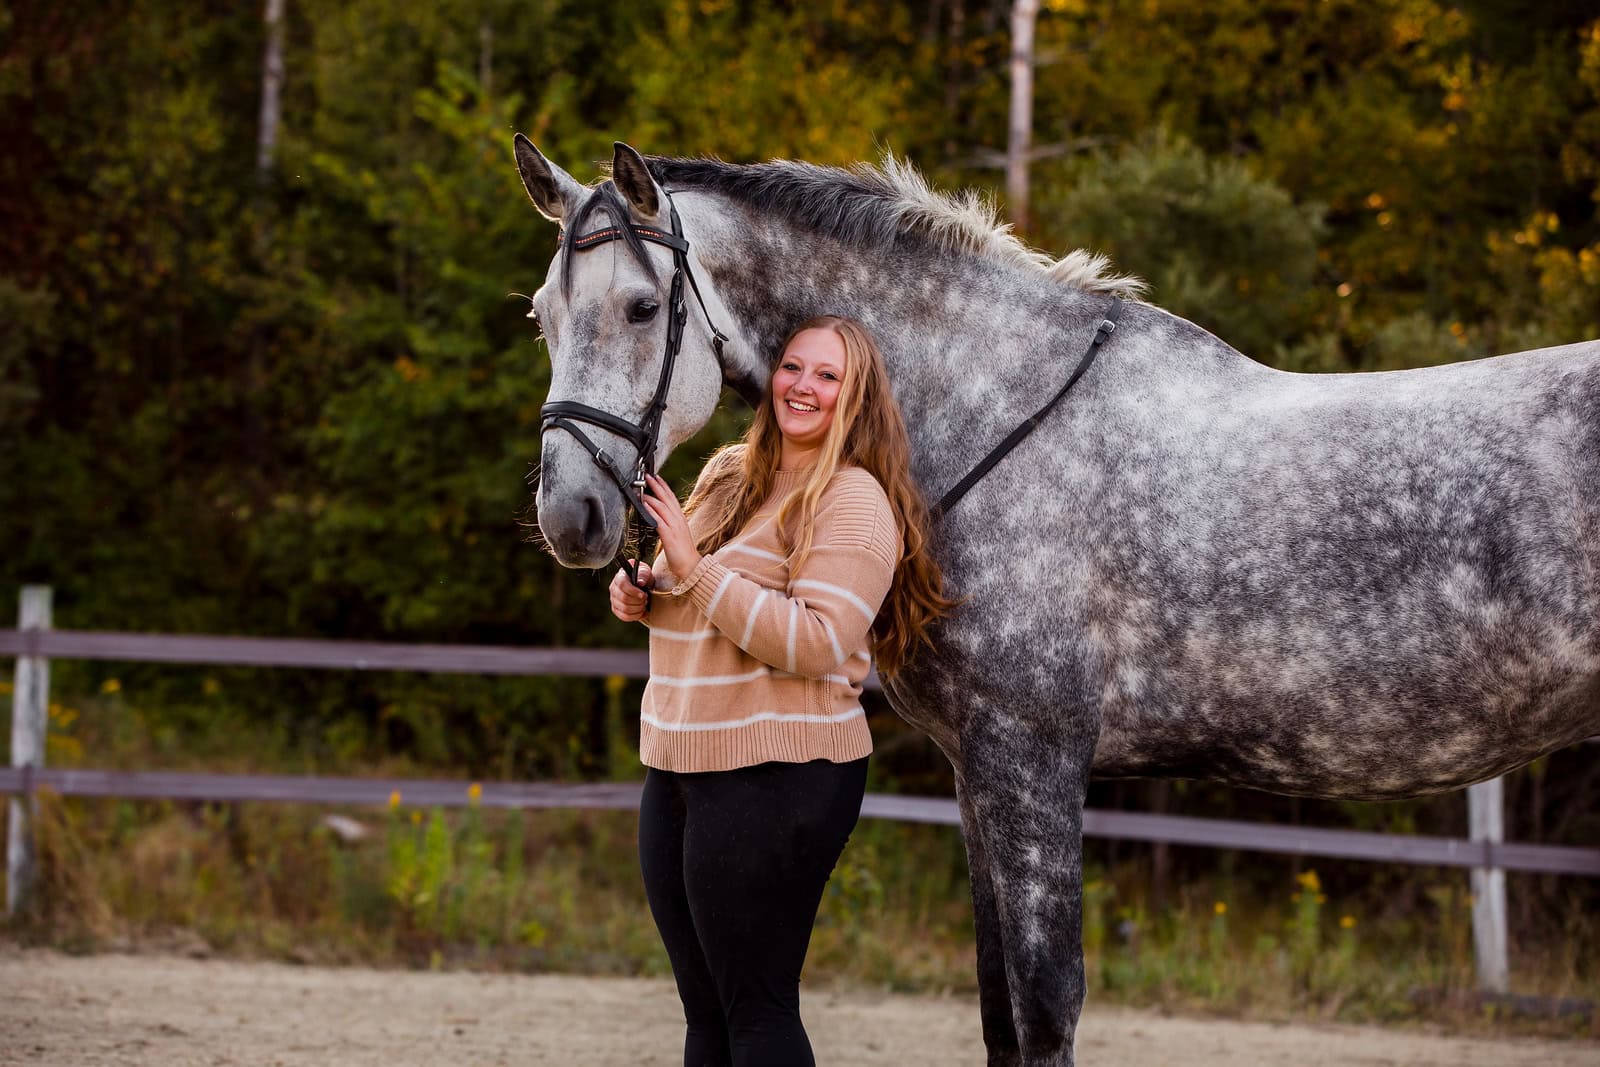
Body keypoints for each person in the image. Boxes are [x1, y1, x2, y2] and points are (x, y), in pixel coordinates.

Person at [608, 315, 953, 1066]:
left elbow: (818, 640)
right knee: (707, 1015)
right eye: (795, 367)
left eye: (828, 376)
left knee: (756, 1011)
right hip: (678, 758)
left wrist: (692, 570)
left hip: (779, 773)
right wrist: (643, 591)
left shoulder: (854, 500)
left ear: (856, 399)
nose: (803, 385)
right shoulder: (732, 471)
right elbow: (691, 589)